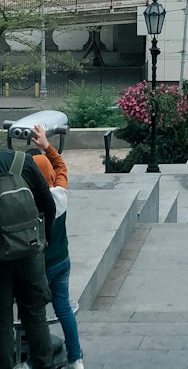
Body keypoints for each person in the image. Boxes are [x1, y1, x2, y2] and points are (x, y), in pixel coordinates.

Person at [0, 134, 56, 369]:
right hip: (30, 251)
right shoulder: (22, 161)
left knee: (1, 321)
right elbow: (48, 206)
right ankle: (43, 364)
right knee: (35, 314)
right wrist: (44, 243)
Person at [30, 125, 81, 369]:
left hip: (41, 266)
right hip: (63, 261)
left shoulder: (31, 203)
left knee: (35, 315)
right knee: (64, 309)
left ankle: (34, 361)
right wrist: (46, 146)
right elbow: (61, 167)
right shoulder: (60, 193)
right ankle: (76, 358)